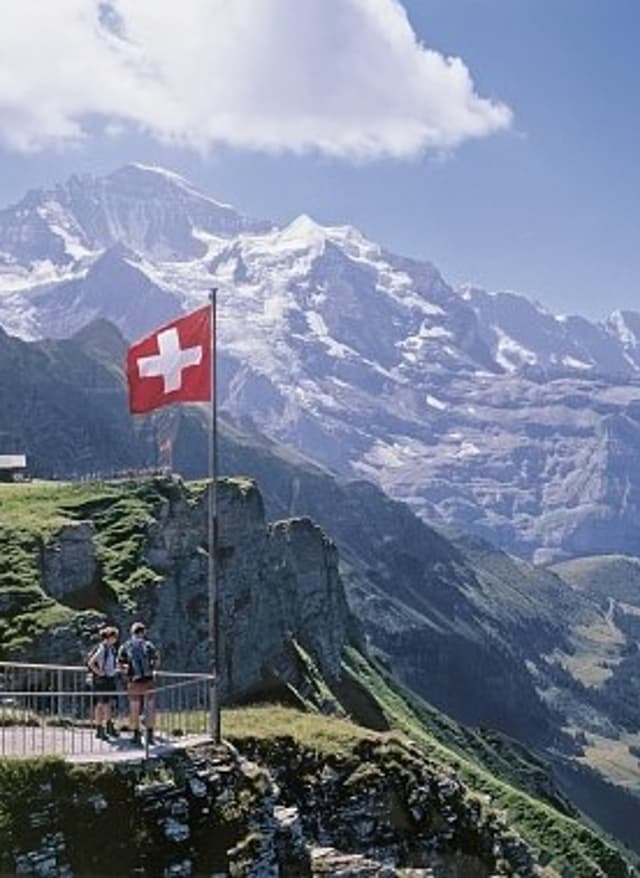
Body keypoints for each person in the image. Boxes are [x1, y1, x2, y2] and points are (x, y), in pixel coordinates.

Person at [117, 622, 160, 747]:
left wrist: (127, 672)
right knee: (150, 707)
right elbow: (156, 660)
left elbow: (120, 664)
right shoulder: (148, 645)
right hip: (149, 680)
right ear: (143, 632)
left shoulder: (125, 646)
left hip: (134, 681)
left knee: (134, 707)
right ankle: (150, 735)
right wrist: (153, 670)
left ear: (132, 632)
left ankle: (136, 735)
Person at [87, 625, 120, 740]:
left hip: (109, 678)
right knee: (101, 704)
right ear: (109, 637)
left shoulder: (110, 649)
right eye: (114, 637)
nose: (116, 639)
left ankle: (107, 726)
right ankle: (100, 728)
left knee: (107, 703)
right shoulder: (103, 649)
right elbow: (91, 662)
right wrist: (99, 672)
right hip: (102, 680)